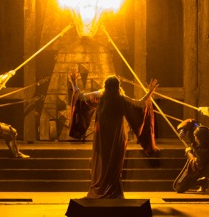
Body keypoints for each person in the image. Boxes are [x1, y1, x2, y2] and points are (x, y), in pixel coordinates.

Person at [68, 71, 158, 199]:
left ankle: (100, 189)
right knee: (114, 165)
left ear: (105, 86)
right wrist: (150, 92)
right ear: (118, 87)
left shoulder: (99, 97)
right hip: (117, 138)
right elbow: (140, 104)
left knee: (102, 163)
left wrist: (74, 82)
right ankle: (113, 192)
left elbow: (80, 97)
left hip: (102, 138)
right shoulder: (121, 99)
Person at [172, 118, 209, 193]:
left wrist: (188, 152)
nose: (195, 138)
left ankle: (204, 182)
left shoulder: (206, 150)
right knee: (177, 186)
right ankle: (203, 182)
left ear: (200, 139)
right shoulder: (203, 134)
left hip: (198, 168)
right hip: (198, 163)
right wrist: (183, 130)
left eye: (196, 137)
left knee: (178, 187)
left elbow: (196, 163)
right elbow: (192, 122)